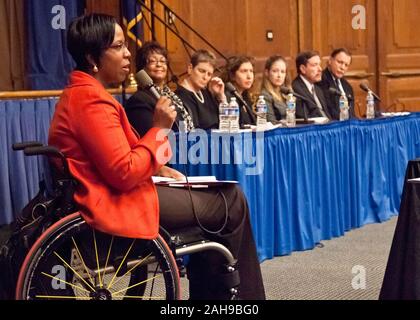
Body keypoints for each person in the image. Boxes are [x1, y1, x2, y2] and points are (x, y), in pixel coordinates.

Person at [48, 13, 265, 300]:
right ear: (92, 57)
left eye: (126, 45)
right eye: (118, 46)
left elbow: (121, 157)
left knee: (219, 201)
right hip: (114, 199)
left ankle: (216, 297)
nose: (128, 54)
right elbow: (124, 172)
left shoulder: (87, 93)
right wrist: (160, 128)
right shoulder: (90, 100)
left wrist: (160, 168)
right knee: (232, 200)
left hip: (121, 189)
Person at [125, 41, 195, 136]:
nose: (159, 65)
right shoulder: (139, 100)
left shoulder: (172, 96)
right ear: (142, 67)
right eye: (153, 61)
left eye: (163, 61)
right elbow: (151, 136)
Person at [175, 49, 226, 130]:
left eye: (209, 74)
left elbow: (225, 123)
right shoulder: (179, 96)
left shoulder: (206, 93)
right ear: (190, 68)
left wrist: (221, 96)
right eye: (202, 71)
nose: (205, 77)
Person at [292, 51, 332, 120]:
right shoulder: (295, 89)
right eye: (315, 65)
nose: (320, 69)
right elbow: (304, 117)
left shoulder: (318, 89)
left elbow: (326, 114)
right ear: (303, 69)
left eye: (319, 65)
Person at [318, 48, 355, 120]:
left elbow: (352, 113)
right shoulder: (321, 81)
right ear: (330, 61)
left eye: (346, 65)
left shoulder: (347, 86)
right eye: (340, 62)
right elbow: (328, 111)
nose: (342, 67)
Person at [222, 56, 256, 126]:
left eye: (251, 71)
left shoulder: (245, 95)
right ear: (232, 76)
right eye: (244, 71)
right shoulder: (227, 97)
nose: (249, 76)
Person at [260, 55, 290, 123]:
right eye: (275, 71)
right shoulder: (265, 96)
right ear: (267, 72)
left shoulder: (287, 93)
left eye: (282, 72)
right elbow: (271, 122)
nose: (279, 75)